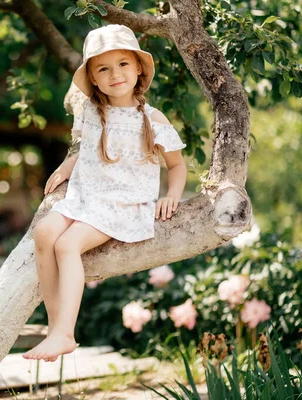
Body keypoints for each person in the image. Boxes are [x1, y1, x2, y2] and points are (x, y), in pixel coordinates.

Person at [22, 24, 188, 362]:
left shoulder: (152, 118)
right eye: (104, 68)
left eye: (123, 64)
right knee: (45, 232)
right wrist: (66, 168)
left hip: (122, 203)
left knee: (67, 244)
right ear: (94, 79)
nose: (115, 74)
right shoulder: (90, 112)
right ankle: (57, 328)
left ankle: (65, 333)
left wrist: (172, 194)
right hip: (87, 196)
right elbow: (82, 149)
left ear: (138, 68)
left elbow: (177, 166)